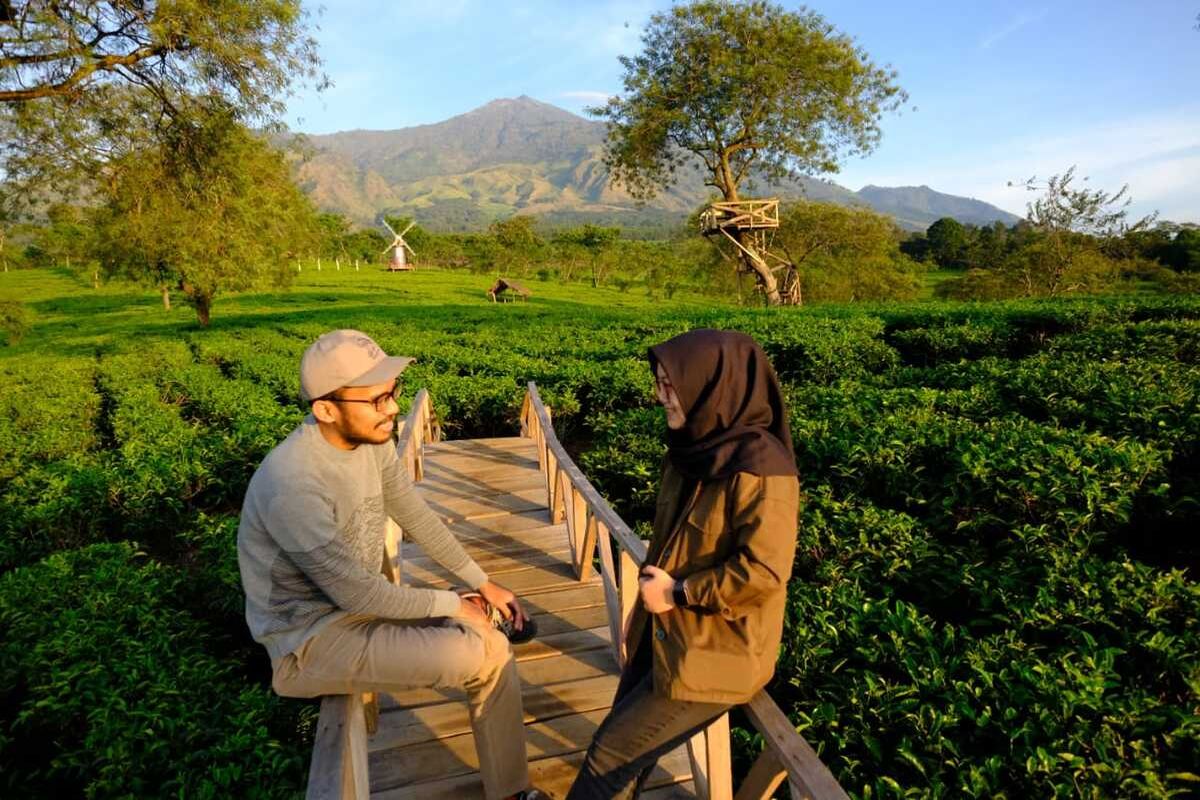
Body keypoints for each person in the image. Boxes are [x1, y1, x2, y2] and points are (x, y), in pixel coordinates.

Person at [237, 329, 547, 800]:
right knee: (489, 655)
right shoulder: (292, 484)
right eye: (377, 398)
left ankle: (507, 786)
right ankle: (511, 793)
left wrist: (482, 585)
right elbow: (356, 594)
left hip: (358, 606)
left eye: (394, 392)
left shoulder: (372, 440)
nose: (392, 408)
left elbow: (413, 512)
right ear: (325, 409)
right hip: (310, 641)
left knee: (484, 628)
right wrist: (452, 605)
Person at [567, 329, 801, 800]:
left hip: (715, 649)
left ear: (712, 386)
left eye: (671, 386)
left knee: (610, 754)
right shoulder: (691, 449)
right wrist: (639, 607)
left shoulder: (762, 467)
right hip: (664, 630)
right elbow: (667, 544)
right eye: (659, 383)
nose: (662, 398)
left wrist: (678, 593)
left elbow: (765, 572)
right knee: (625, 750)